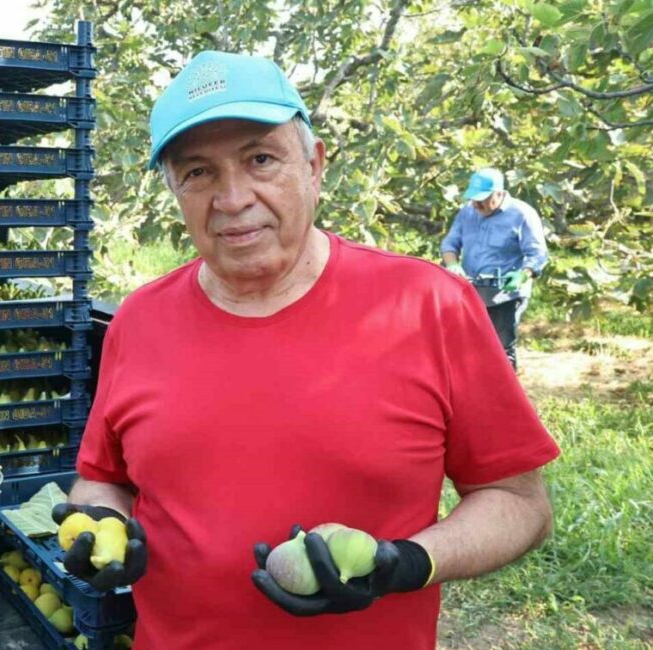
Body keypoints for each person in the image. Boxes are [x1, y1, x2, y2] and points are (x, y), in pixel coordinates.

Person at [51, 51, 560, 649]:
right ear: (176, 192)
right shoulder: (139, 320)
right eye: (198, 173)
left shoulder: (427, 305)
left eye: (261, 159)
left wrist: (407, 563)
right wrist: (105, 524)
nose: (233, 197)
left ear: (314, 165)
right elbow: (101, 478)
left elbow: (519, 503)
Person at [439, 169, 548, 369]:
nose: (476, 204)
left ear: (499, 193)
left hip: (505, 294)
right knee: (467, 346)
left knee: (500, 348)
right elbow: (450, 244)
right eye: (473, 199)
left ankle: (504, 394)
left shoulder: (521, 214)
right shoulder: (467, 212)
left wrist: (523, 275)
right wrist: (453, 264)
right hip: (472, 290)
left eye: (482, 199)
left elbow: (537, 254)